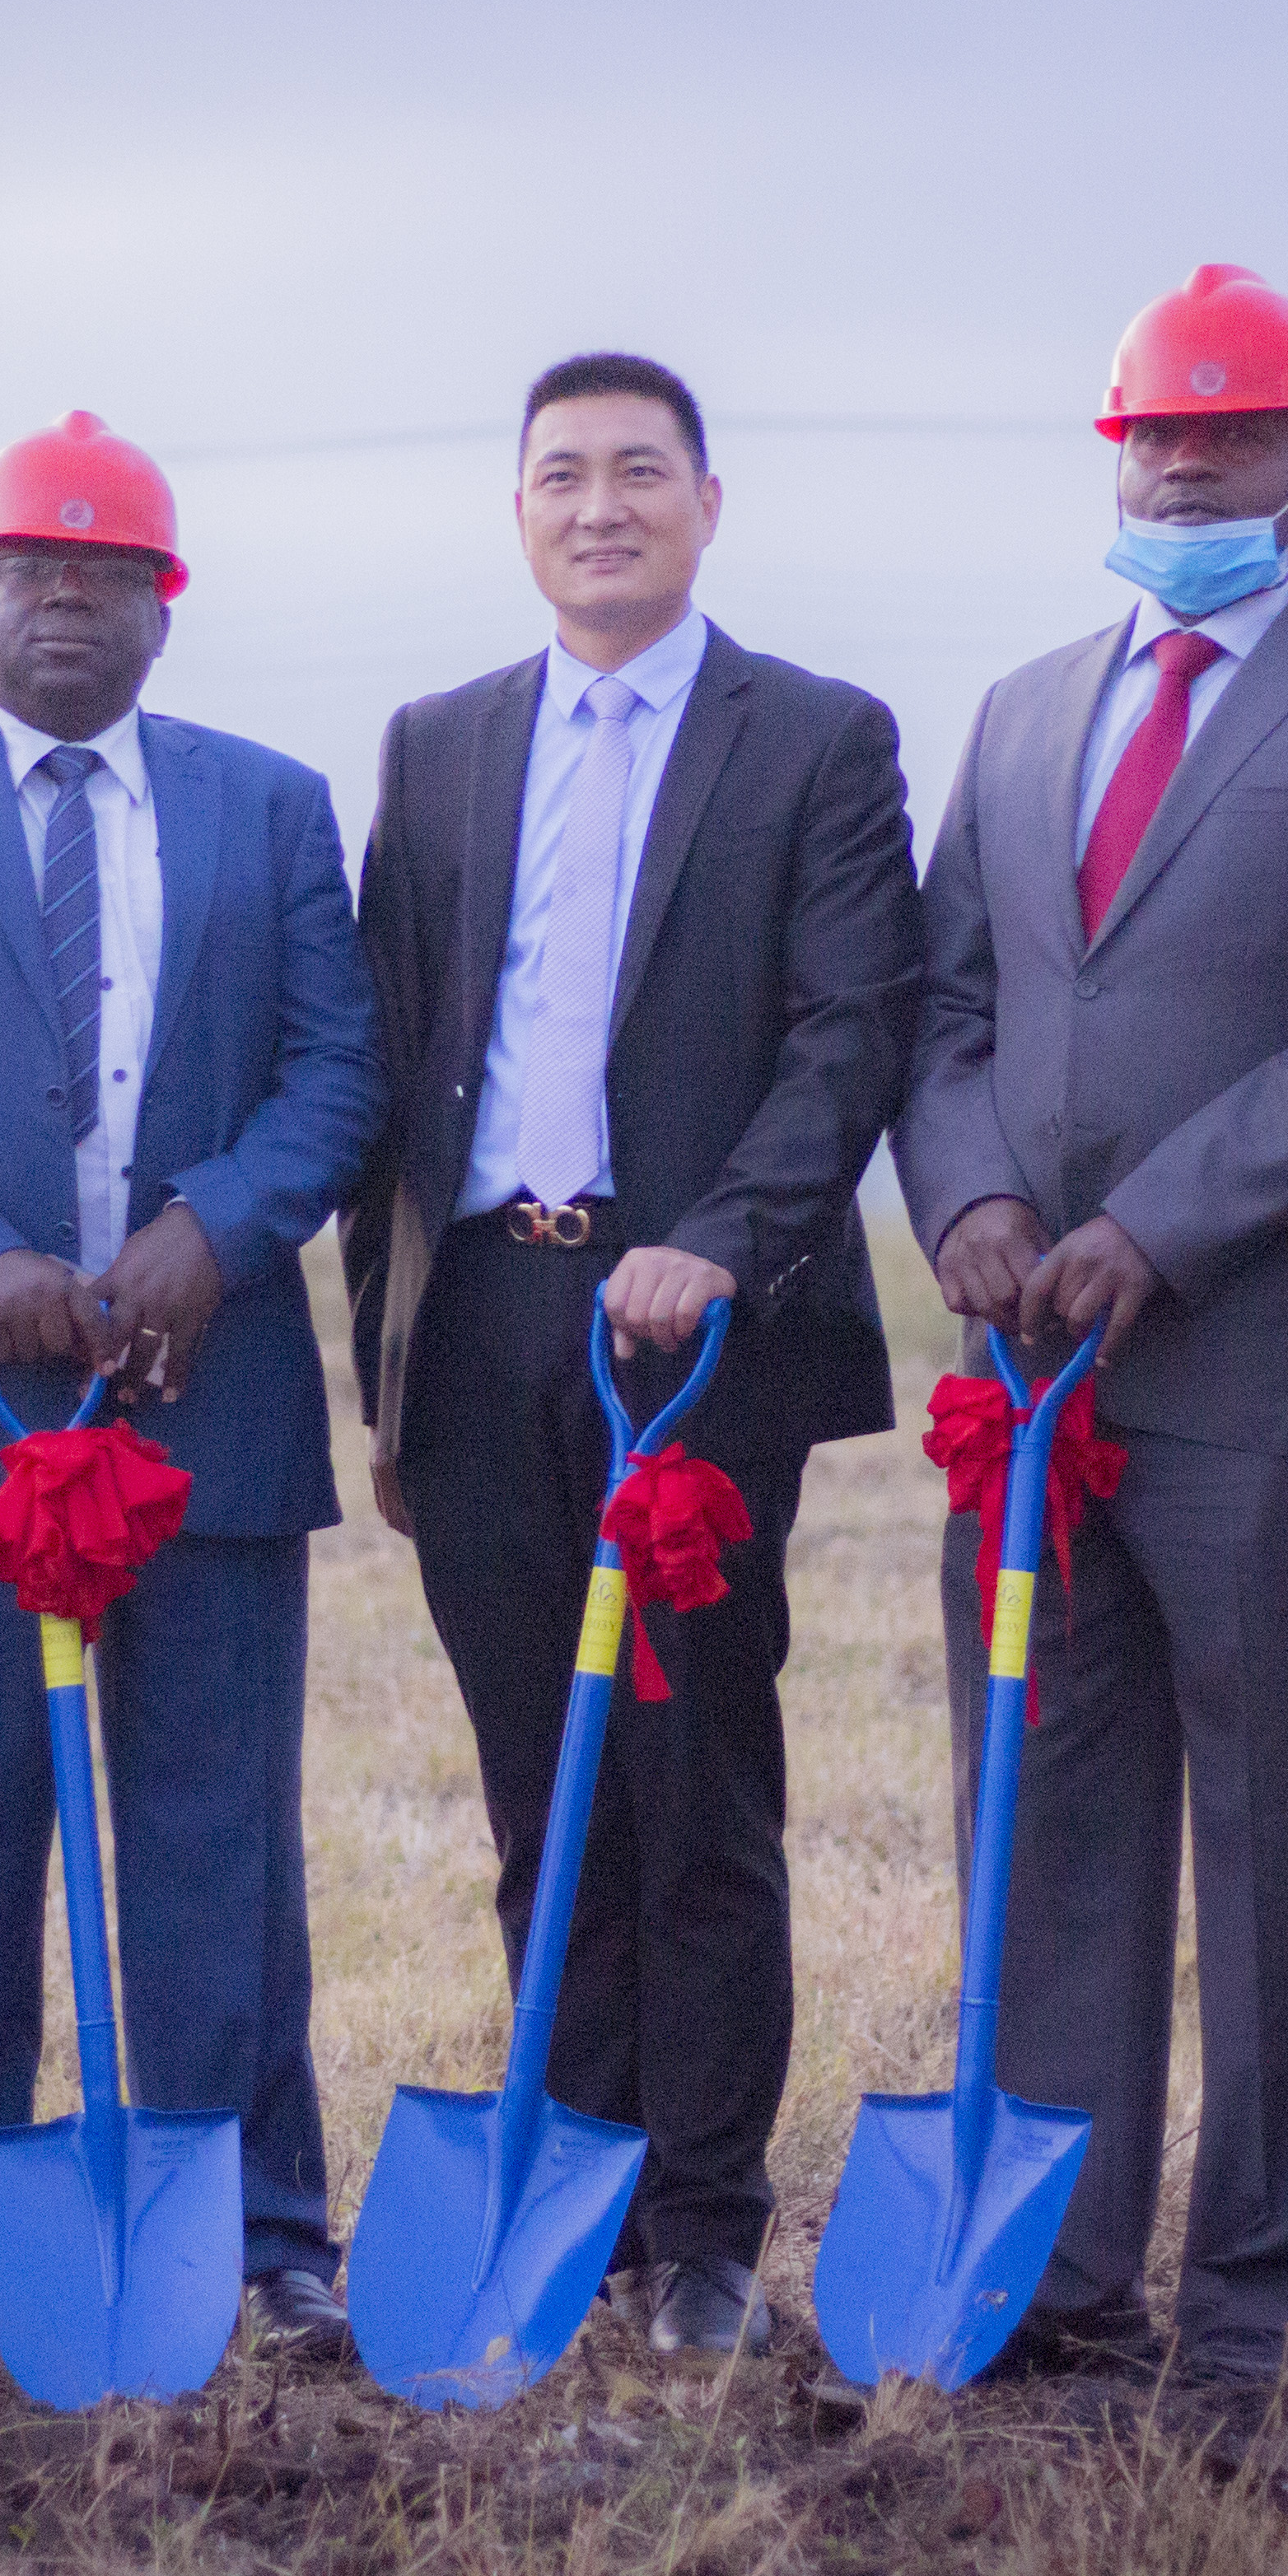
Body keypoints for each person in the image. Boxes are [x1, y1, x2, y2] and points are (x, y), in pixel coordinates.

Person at [896, 268, 1288, 2391]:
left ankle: (1264, 2295)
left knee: (1276, 1848)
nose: (1184, 467)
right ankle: (1055, 2276)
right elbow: (946, 997)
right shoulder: (1029, 704)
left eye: (1230, 439)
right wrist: (965, 1192)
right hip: (1028, 1382)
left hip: (1261, 1367)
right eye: (1154, 436)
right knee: (1041, 1827)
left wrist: (1158, 1221)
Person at [345, 352, 922, 2355]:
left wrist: (718, 1245)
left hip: (691, 1330)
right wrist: (389, 1380)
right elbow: (394, 1086)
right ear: (517, 511)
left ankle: (704, 2234)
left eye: (640, 473)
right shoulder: (436, 747)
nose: (601, 506)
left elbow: (851, 1035)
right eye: (562, 475)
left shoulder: (818, 742)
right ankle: (564, 2190)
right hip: (490, 1316)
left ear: (706, 503)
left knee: (693, 1776)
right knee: (545, 1792)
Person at [0, 414, 383, 2362]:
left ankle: (252, 2220)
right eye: (29, 570)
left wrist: (215, 1234)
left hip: (202, 1401)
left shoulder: (270, 807)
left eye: (109, 574)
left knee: (216, 1824)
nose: (66, 600)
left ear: (168, 609)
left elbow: (340, 1072)